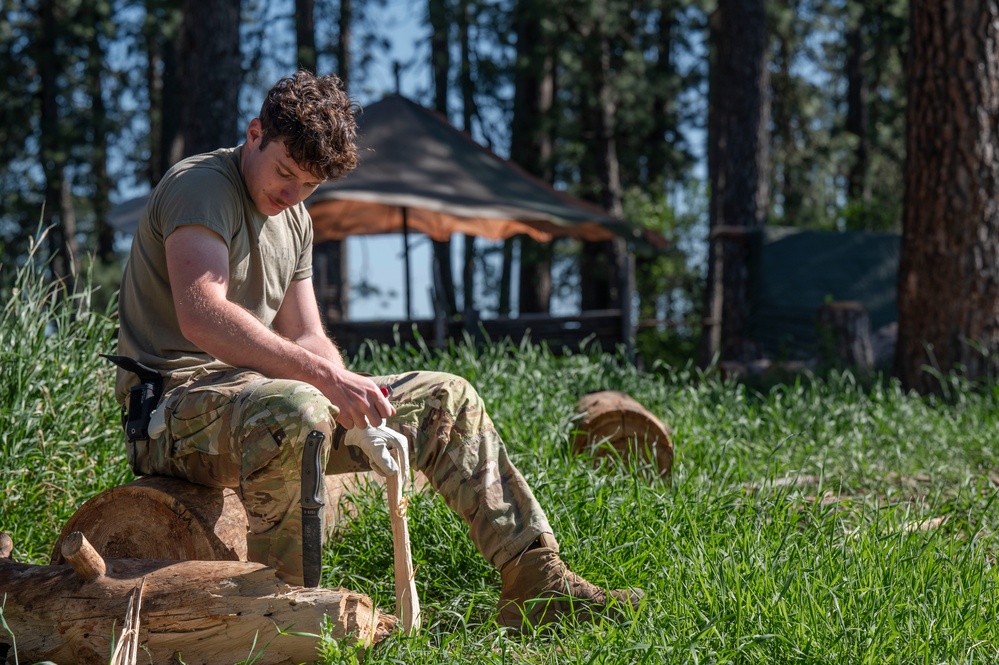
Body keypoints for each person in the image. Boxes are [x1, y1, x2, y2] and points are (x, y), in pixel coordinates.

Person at [112, 70, 641, 631]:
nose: (291, 194)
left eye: (309, 185)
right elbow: (202, 315)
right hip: (172, 410)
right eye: (285, 172)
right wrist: (322, 382)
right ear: (254, 132)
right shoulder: (202, 186)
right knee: (295, 408)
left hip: (262, 398)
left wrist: (345, 390)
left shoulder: (294, 217)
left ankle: (539, 581)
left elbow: (309, 334)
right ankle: (282, 621)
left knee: (444, 397)